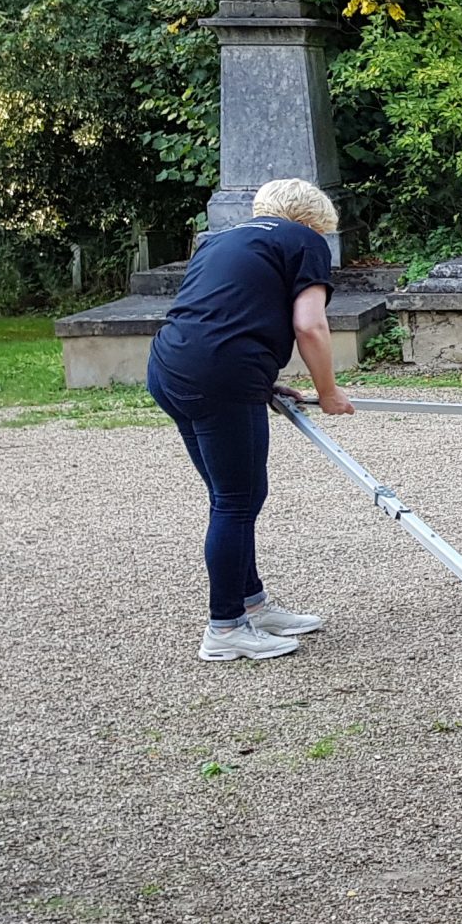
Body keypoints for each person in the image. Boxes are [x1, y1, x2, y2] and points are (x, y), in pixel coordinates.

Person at [145, 179, 353, 663]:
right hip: (222, 375)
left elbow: (221, 312)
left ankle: (251, 604)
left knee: (230, 497)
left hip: (170, 368)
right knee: (239, 500)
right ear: (311, 219)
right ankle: (225, 628)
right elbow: (310, 324)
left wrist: (261, 386)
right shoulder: (304, 240)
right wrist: (328, 391)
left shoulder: (218, 240)